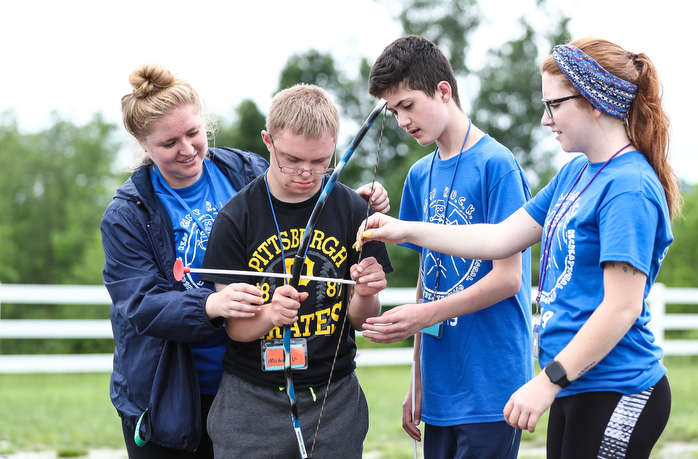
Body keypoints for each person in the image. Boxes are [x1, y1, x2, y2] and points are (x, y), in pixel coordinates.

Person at [358, 37, 679, 459]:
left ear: (595, 102)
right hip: (574, 383)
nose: (546, 120)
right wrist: (404, 230)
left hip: (617, 385)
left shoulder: (629, 187)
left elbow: (622, 308)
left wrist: (546, 382)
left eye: (554, 105)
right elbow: (498, 238)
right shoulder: (574, 176)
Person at [101, 64, 390, 458]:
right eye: (169, 143)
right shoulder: (126, 214)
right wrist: (211, 304)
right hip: (173, 386)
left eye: (193, 133)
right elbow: (139, 303)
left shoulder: (246, 168)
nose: (187, 149)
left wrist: (348, 203)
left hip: (244, 377)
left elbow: (298, 192)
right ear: (142, 143)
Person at [361, 35, 533, 459]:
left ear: (443, 91)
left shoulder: (498, 165)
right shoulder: (420, 176)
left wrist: (420, 316)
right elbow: (428, 276)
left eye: (407, 105)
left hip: (490, 383)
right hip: (440, 386)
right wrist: (417, 377)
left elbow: (508, 279)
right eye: (393, 110)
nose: (401, 120)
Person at [198, 83, 393, 458]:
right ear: (267, 141)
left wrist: (367, 293)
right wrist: (270, 314)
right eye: (291, 160)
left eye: (322, 161)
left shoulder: (354, 210)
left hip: (333, 398)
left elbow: (360, 320)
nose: (306, 173)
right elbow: (236, 329)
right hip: (252, 403)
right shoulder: (236, 218)